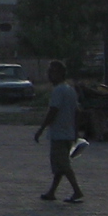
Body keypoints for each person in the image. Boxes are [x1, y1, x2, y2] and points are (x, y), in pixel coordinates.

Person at [34, 61, 83, 202]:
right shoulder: (70, 90)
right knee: (59, 165)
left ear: (60, 74)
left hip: (59, 134)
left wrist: (41, 129)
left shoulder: (58, 91)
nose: (49, 75)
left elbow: (53, 111)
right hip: (68, 133)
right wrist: (75, 131)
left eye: (52, 72)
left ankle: (77, 191)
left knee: (63, 164)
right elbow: (77, 112)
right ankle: (51, 192)